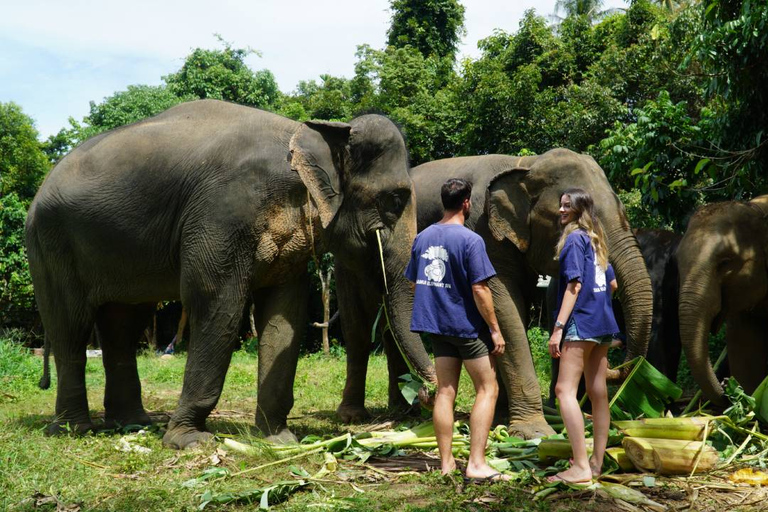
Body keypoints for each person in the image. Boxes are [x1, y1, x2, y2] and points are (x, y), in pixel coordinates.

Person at [405, 178, 510, 483]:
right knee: (487, 389)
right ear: (466, 203)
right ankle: (476, 463)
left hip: (437, 327)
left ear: (444, 201)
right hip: (467, 329)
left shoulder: (423, 238)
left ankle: (447, 463)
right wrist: (494, 329)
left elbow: (414, 281)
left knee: (446, 393)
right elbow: (480, 288)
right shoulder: (470, 240)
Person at [547, 187, 619, 485]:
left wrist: (559, 327)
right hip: (603, 324)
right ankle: (596, 463)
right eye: (561, 206)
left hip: (580, 324)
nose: (561, 211)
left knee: (564, 391)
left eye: (566, 206)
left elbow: (573, 286)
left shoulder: (575, 239)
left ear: (579, 210)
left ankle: (579, 467)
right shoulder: (596, 240)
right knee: (598, 392)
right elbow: (612, 285)